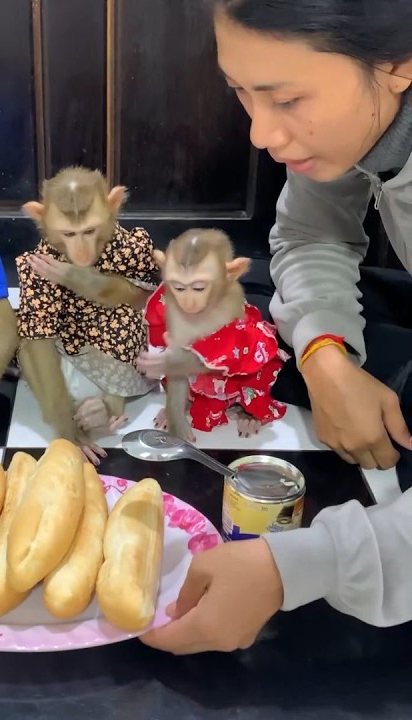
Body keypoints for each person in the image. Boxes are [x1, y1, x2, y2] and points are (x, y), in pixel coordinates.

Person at [142, 0, 412, 655]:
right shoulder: (367, 117)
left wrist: (297, 567)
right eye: (242, 93)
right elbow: (310, 229)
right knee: (238, 298)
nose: (261, 133)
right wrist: (326, 357)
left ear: (399, 66)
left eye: (286, 99)